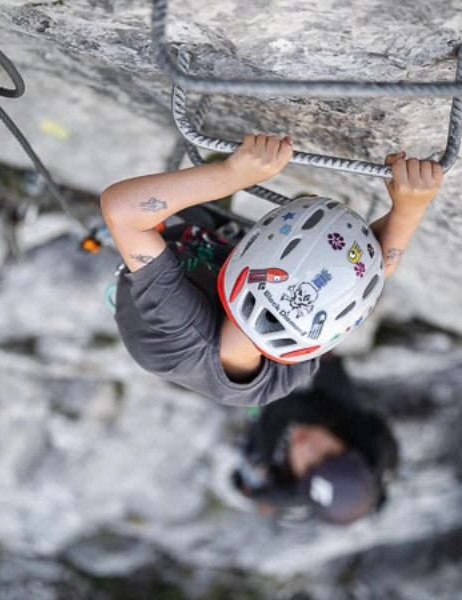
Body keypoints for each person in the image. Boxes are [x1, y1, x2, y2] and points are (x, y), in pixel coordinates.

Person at [100, 133, 442, 406]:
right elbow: (370, 272)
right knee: (307, 218)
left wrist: (231, 175)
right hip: (219, 260)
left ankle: (228, 196)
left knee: (212, 173)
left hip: (182, 254)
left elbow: (122, 212)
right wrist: (409, 208)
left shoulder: (175, 319)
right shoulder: (296, 359)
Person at [232, 355, 399, 524]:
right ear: (346, 444)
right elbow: (325, 354)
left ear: (296, 479)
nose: (309, 448)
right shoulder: (338, 408)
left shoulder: (268, 475)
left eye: (308, 467)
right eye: (328, 454)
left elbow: (247, 491)